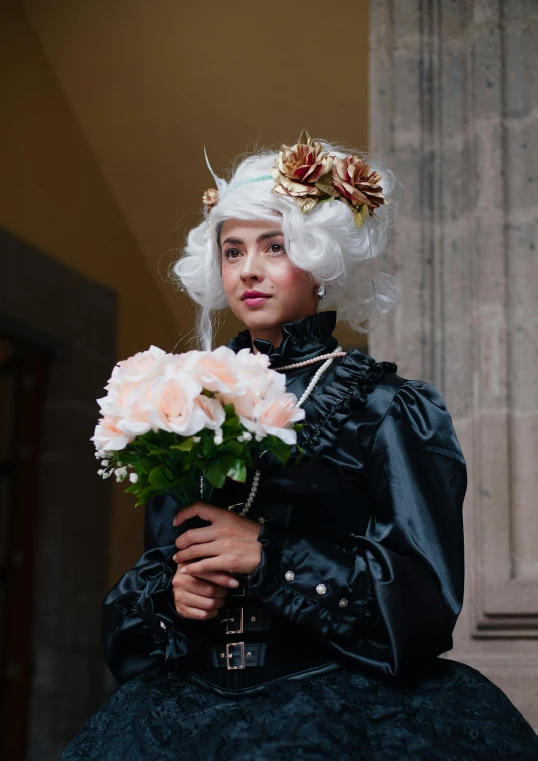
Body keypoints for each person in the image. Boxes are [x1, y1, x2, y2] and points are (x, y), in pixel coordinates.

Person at [60, 131, 538, 760]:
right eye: (232, 251)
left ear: (323, 262)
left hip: (342, 705)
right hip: (182, 713)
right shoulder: (180, 399)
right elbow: (155, 575)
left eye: (275, 247)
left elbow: (420, 605)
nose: (249, 269)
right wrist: (175, 596)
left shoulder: (387, 409)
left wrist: (268, 556)